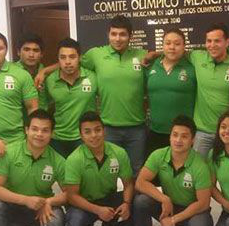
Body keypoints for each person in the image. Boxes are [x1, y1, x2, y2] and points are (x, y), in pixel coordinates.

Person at [38, 15, 148, 175]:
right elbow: (71, 61)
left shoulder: (142, 55)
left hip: (137, 128)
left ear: (130, 36)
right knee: (108, 171)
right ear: (108, 34)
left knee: (136, 170)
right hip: (107, 128)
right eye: (114, 34)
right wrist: (45, 71)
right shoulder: (95, 55)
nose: (118, 38)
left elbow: (166, 56)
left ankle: (133, 193)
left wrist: (156, 54)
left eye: (122, 34)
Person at [131, 115, 213, 226]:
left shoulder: (200, 166)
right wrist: (164, 199)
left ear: (193, 140)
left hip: (192, 211)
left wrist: (174, 220)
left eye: (184, 136)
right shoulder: (159, 155)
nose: (178, 140)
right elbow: (140, 182)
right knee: (141, 201)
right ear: (170, 136)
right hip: (168, 206)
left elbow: (203, 203)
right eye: (175, 135)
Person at [64, 111, 135, 226]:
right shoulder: (74, 159)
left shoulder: (119, 153)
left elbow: (128, 183)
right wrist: (97, 210)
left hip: (109, 198)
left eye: (97, 130)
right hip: (84, 203)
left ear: (104, 131)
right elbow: (72, 196)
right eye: (87, 132)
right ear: (81, 135)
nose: (94, 135)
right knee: (75, 225)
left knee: (137, 202)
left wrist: (126, 203)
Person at [42, 38, 99, 157]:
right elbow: (43, 109)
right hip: (57, 139)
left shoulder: (93, 77)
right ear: (58, 59)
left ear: (79, 58)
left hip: (84, 138)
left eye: (72, 57)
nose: (67, 62)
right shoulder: (50, 80)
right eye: (63, 57)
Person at [189, 23, 229, 157]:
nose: (212, 45)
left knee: (226, 168)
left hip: (228, 132)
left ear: (227, 42)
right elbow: (174, 52)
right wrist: (153, 55)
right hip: (202, 132)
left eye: (217, 41)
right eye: (209, 41)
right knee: (199, 168)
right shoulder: (197, 57)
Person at [145, 28, 197, 154]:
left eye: (177, 44)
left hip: (183, 135)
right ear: (162, 45)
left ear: (184, 46)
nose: (172, 47)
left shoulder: (193, 67)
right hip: (155, 131)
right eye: (168, 43)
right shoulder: (151, 65)